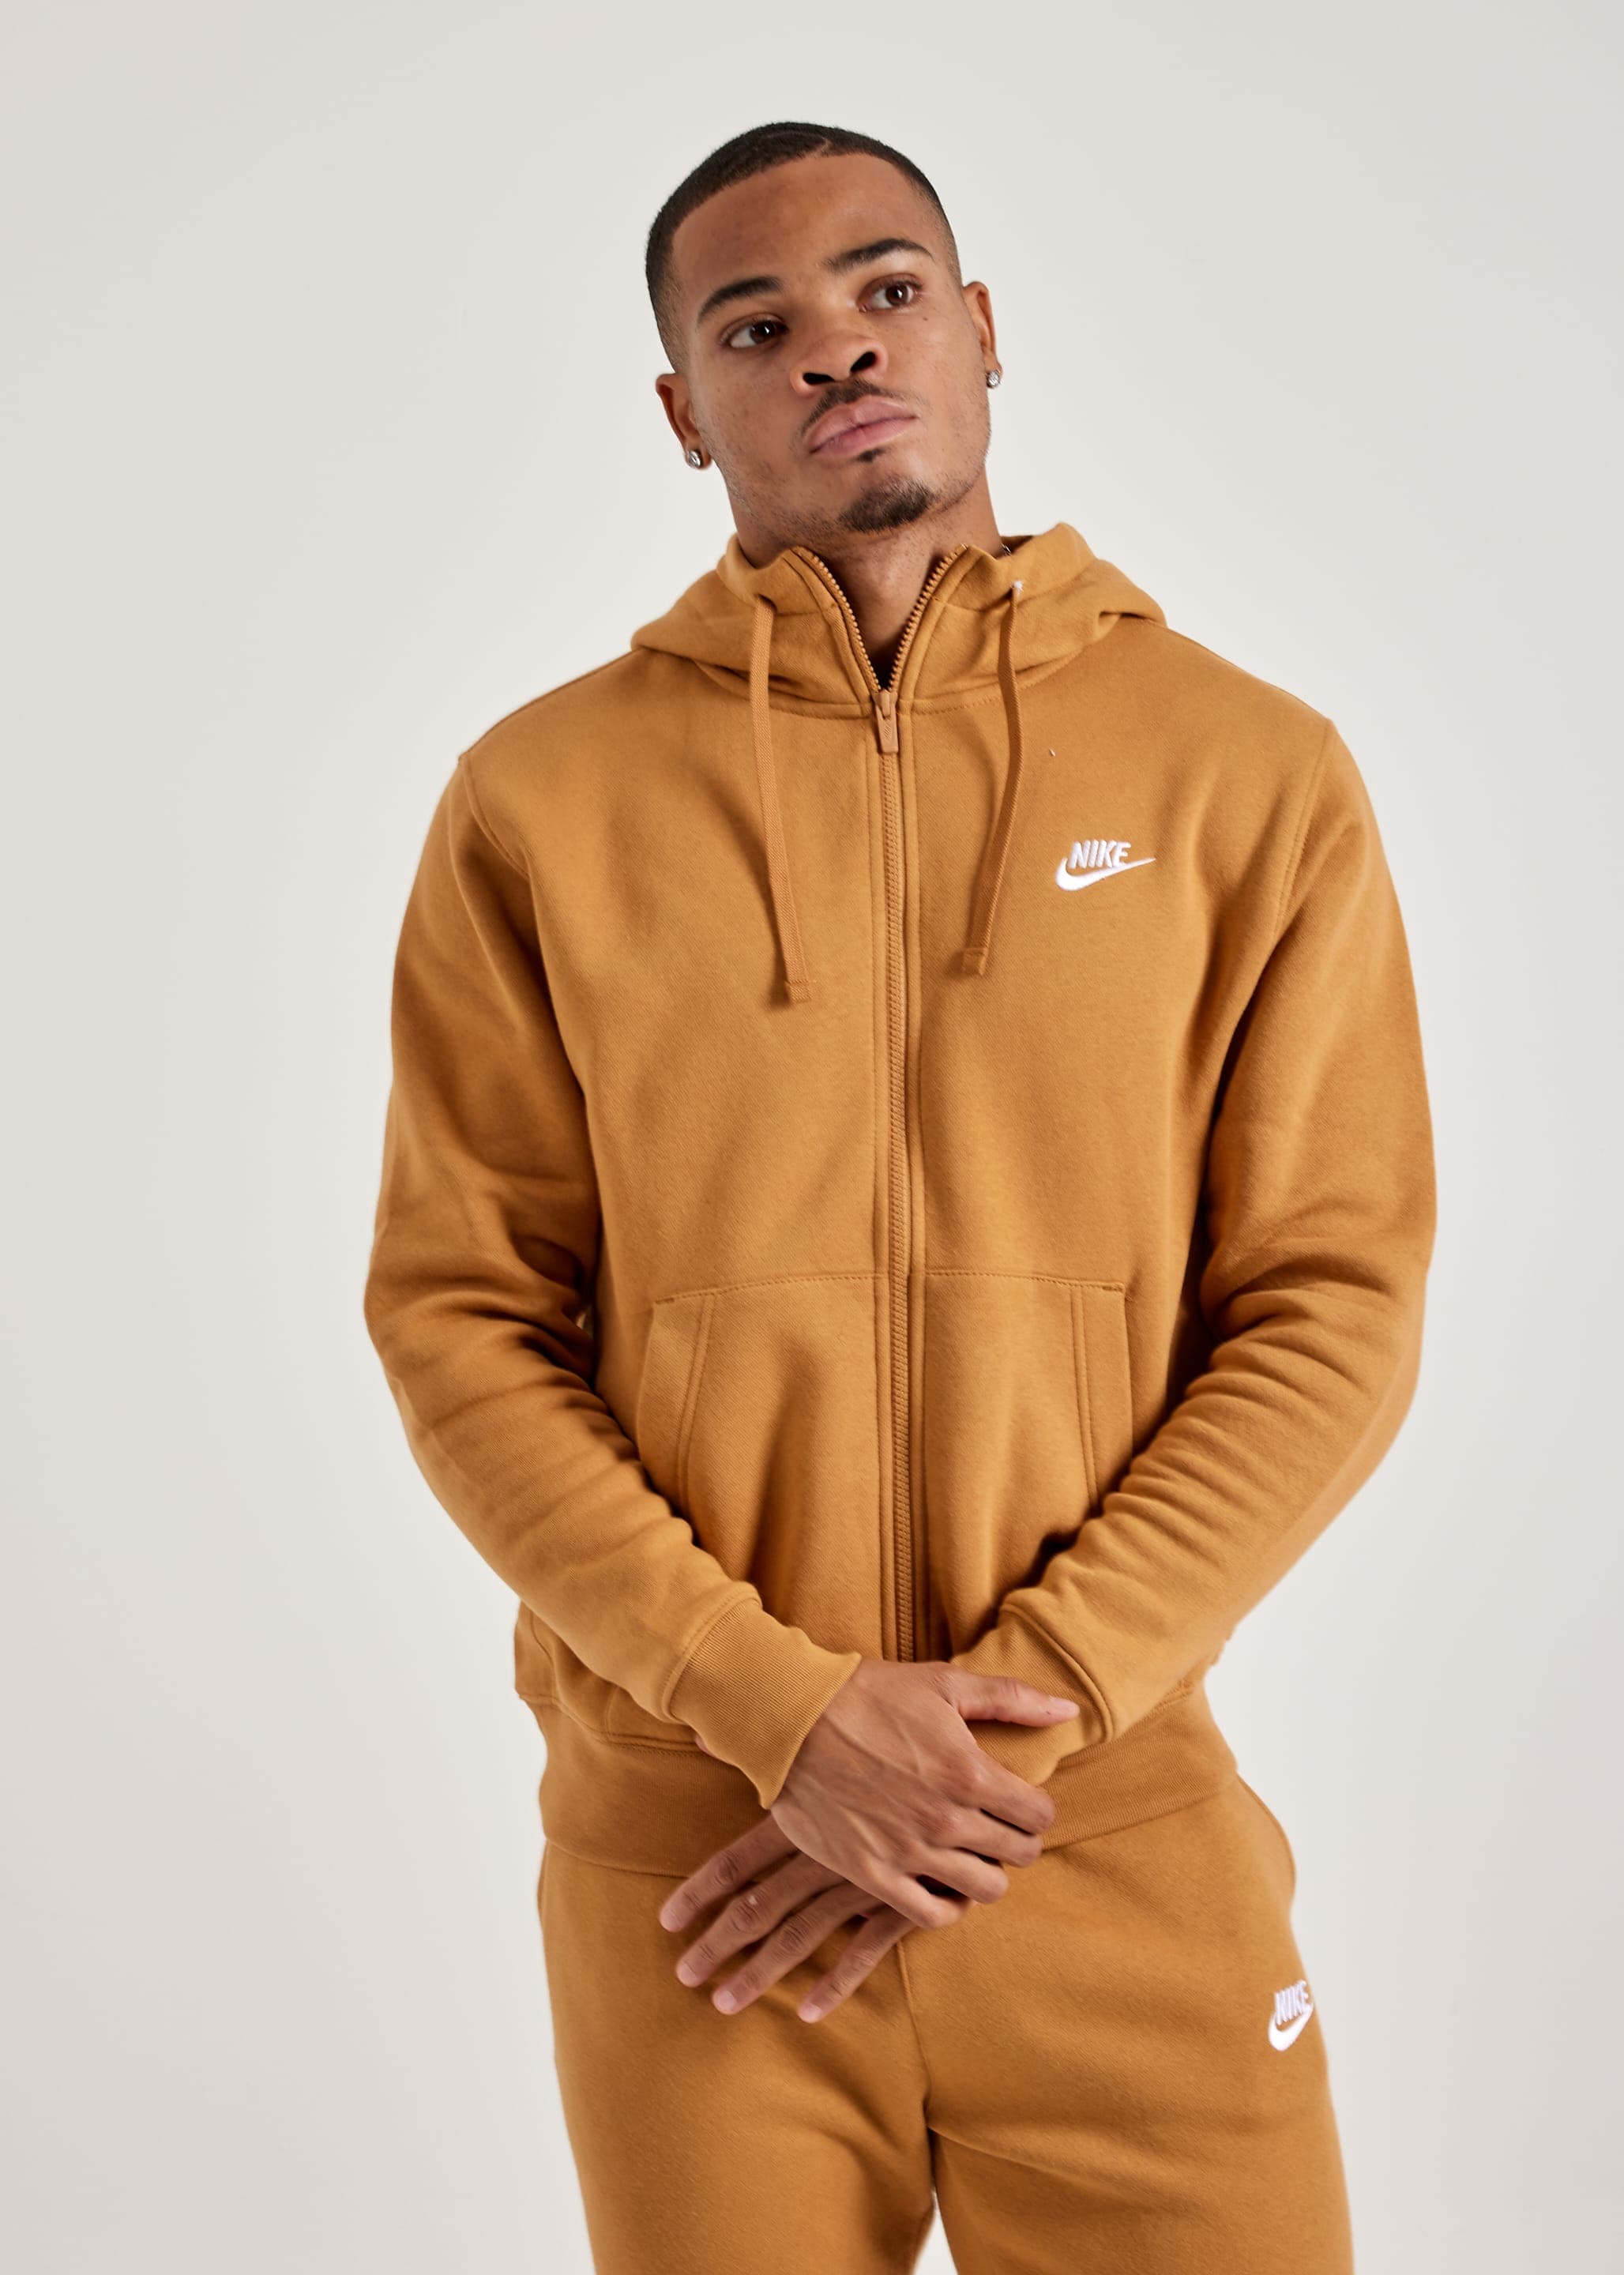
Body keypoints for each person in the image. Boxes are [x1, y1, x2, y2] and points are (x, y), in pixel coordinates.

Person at [363, 118, 1436, 2275]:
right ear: (684, 409)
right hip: (707, 1883)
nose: (836, 348)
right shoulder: (538, 802)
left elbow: (1330, 1304)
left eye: (884, 287)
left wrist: (1000, 1726)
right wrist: (777, 1716)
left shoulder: (1248, 770)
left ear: (980, 326)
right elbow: (460, 1318)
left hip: (1100, 1830)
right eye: (753, 325)